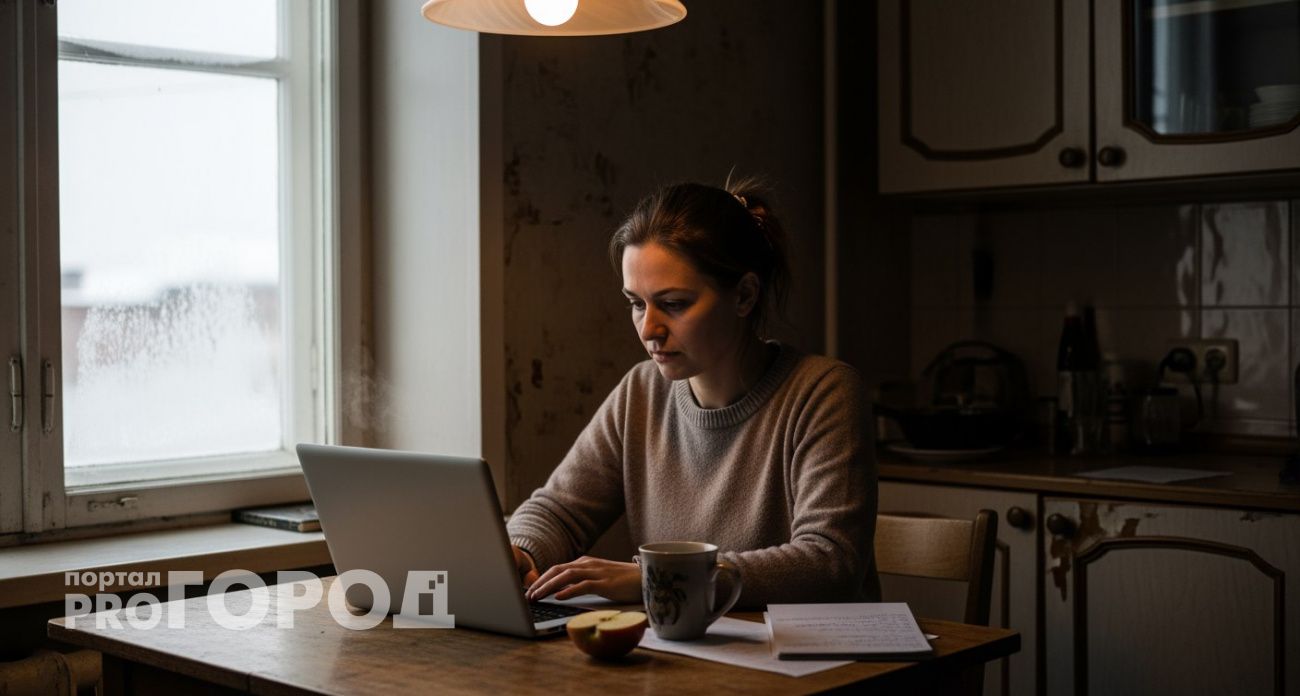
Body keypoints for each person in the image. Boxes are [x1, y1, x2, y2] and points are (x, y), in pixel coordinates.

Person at [507, 178, 880, 609]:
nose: (649, 330)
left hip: (813, 668)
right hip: (687, 661)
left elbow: (829, 563)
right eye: (636, 303)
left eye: (675, 303)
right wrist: (521, 552)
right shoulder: (641, 391)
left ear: (744, 295)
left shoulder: (824, 393)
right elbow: (559, 511)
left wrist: (659, 578)